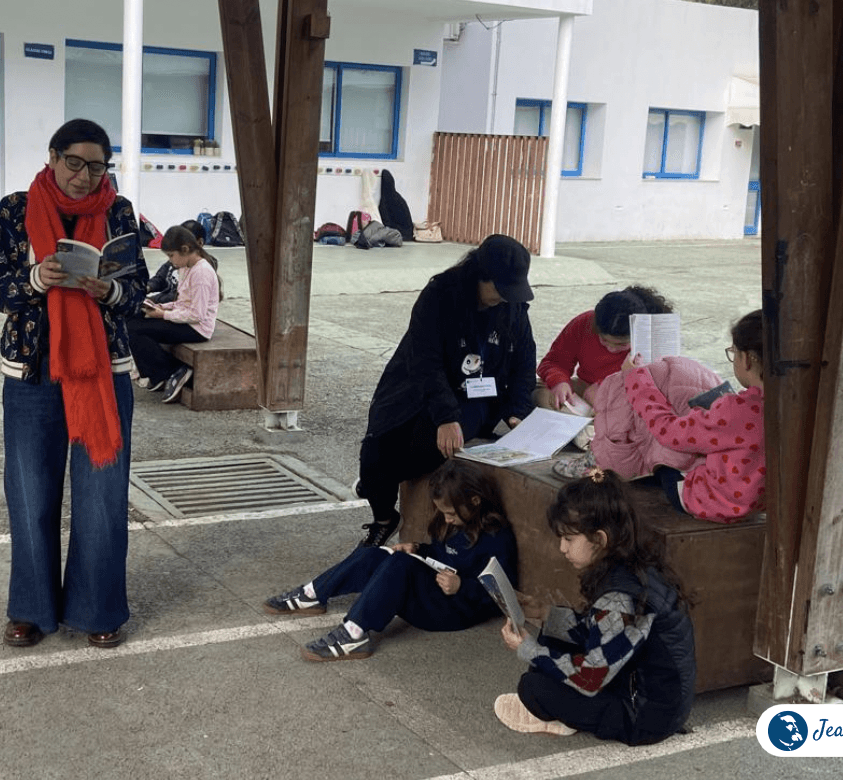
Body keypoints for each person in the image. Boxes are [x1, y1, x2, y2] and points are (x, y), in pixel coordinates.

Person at [0, 118, 149, 650]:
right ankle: (31, 609)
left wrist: (108, 292)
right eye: (74, 162)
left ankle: (98, 608)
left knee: (102, 495)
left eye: (96, 167)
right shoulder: (16, 208)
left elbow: (137, 290)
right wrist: (37, 278)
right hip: (32, 372)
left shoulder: (119, 212)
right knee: (30, 493)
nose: (84, 176)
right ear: (53, 157)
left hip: (103, 373)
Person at [355, 234, 537, 547]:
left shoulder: (514, 307)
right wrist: (446, 415)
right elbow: (424, 360)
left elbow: (524, 362)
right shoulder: (440, 294)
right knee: (376, 448)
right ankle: (383, 518)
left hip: (476, 395)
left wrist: (516, 411)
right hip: (419, 386)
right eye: (500, 289)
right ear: (480, 275)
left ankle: (385, 481)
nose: (506, 298)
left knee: (430, 447)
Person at [495, 472, 695, 743]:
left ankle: (560, 718)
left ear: (600, 539)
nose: (562, 548)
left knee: (532, 687)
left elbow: (591, 676)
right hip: (648, 693)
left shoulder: (619, 598)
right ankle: (562, 708)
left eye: (569, 539)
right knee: (552, 635)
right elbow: (602, 631)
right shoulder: (633, 565)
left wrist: (527, 649)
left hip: (644, 717)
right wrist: (543, 613)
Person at [265, 460, 517, 661]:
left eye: (450, 513)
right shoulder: (453, 523)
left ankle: (354, 634)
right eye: (443, 513)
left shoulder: (497, 537)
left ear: (475, 501)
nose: (447, 519)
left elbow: (503, 593)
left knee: (401, 564)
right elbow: (443, 555)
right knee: (377, 554)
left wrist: (463, 586)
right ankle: (313, 594)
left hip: (456, 610)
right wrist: (418, 548)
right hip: (436, 591)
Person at [623, 309, 765, 523]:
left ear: (746, 359)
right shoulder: (794, 403)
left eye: (733, 352)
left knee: (665, 458)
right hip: (762, 502)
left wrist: (636, 379)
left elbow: (668, 432)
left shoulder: (735, 409)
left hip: (713, 503)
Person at [535, 286, 674, 413]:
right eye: (604, 340)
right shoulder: (584, 323)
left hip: (626, 394)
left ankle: (591, 425)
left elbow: (657, 387)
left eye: (621, 344)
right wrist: (559, 382)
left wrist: (610, 385)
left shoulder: (649, 337)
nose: (611, 348)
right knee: (541, 393)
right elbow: (554, 362)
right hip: (586, 389)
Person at [128, 224, 222, 403]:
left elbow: (197, 315)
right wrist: (162, 307)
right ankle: (159, 372)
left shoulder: (201, 273)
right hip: (184, 319)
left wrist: (163, 315)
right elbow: (182, 302)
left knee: (134, 329)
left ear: (185, 249)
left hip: (197, 328)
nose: (170, 261)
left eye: (171, 255)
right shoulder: (186, 266)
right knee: (133, 318)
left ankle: (170, 370)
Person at [145, 219, 215, 304]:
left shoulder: (201, 268)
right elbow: (160, 279)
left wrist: (151, 301)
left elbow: (178, 296)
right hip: (169, 305)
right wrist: (147, 287)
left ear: (200, 243)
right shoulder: (178, 259)